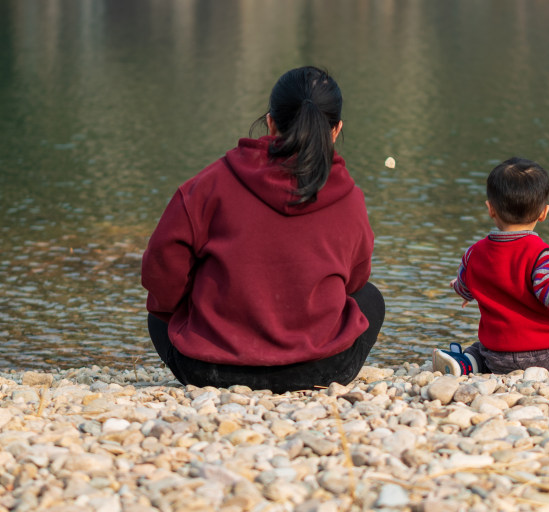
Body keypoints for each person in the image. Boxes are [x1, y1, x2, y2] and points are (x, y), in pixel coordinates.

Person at [142, 66, 384, 393]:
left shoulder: (209, 184)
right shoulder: (349, 197)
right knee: (370, 299)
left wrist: (196, 312)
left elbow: (161, 271)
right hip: (319, 370)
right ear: (336, 130)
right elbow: (355, 280)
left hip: (209, 370)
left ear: (270, 121)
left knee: (159, 316)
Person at [433, 157, 549, 376]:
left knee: (480, 348)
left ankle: (468, 363)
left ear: (490, 209)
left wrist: (459, 287)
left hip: (498, 356)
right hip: (546, 355)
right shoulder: (540, 256)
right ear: (544, 213)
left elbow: (466, 286)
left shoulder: (474, 253)